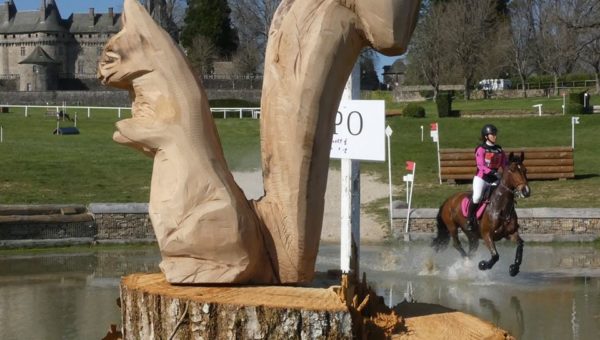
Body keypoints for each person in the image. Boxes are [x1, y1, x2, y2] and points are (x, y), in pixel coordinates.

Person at [466, 124, 507, 232]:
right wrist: (492, 172)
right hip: (482, 178)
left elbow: (504, 164)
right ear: (486, 136)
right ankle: (470, 219)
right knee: (477, 197)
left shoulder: (499, 149)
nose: (495, 136)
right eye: (492, 134)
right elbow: (480, 165)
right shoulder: (481, 149)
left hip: (494, 178)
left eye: (495, 134)